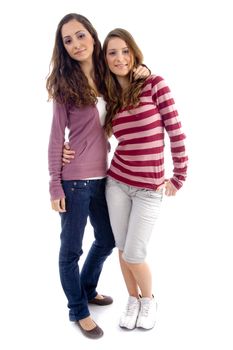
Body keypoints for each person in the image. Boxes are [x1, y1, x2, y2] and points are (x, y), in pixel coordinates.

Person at [63, 28, 188, 331]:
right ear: (105, 59)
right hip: (116, 182)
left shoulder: (154, 84)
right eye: (112, 53)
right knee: (121, 248)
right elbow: (92, 131)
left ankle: (149, 300)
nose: (120, 58)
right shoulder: (111, 96)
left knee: (135, 252)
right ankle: (132, 299)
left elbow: (175, 131)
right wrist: (67, 148)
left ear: (134, 52)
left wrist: (179, 175)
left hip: (149, 188)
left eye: (124, 51)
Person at [47, 14, 149, 339]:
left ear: (92, 36)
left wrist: (142, 71)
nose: (76, 44)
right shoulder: (65, 85)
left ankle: (87, 289)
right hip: (74, 181)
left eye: (80, 36)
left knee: (106, 239)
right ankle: (78, 310)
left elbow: (131, 78)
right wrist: (54, 183)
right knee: (71, 250)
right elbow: (54, 137)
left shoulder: (107, 78)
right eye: (68, 40)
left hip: (105, 177)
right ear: (63, 48)